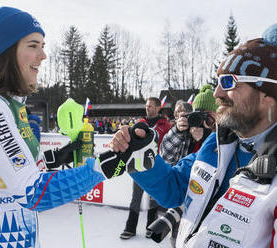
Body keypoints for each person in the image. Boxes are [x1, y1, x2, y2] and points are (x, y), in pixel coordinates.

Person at [0, 5, 108, 247]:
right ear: (7, 52)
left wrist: (56, 157)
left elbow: (8, 166)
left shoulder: (11, 104)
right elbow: (33, 193)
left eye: (42, 46)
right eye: (33, 45)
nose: (43, 55)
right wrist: (110, 165)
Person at [109, 24, 277, 247]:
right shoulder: (218, 142)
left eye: (229, 82)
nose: (217, 93)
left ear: (267, 94)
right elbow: (175, 188)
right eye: (218, 82)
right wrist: (140, 155)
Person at [156, 86, 217, 246]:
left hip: (208, 206)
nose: (201, 121)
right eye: (197, 115)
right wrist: (176, 131)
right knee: (178, 239)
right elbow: (166, 158)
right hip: (183, 200)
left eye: (206, 116)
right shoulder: (184, 133)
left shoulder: (220, 137)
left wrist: (204, 140)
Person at [120, 97, 171, 239]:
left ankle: (151, 227)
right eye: (147, 106)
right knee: (136, 198)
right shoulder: (140, 123)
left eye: (151, 106)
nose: (148, 108)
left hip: (156, 167)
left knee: (153, 198)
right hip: (138, 167)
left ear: (158, 107)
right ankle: (130, 228)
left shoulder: (165, 125)